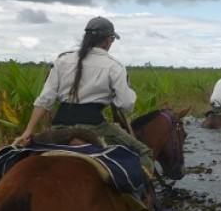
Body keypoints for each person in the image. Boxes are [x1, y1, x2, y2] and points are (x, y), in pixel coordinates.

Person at [15, 16, 156, 177]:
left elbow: (45, 100)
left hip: (59, 128)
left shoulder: (62, 60)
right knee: (144, 152)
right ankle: (139, 191)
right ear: (108, 40)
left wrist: (28, 131)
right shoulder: (114, 66)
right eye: (112, 40)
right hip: (93, 127)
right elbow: (126, 105)